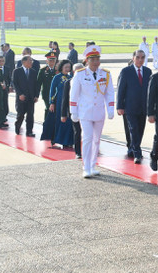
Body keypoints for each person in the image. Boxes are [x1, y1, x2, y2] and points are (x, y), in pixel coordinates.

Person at [70, 45, 115, 178]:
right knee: (87, 138)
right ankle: (86, 167)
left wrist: (110, 108)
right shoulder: (80, 74)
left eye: (97, 59)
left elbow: (109, 93)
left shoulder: (105, 74)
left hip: (99, 112)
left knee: (96, 140)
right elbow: (74, 94)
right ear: (87, 60)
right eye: (92, 59)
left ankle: (93, 165)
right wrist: (73, 111)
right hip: (85, 112)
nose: (95, 62)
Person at [117, 50, 150, 163]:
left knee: (140, 130)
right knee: (133, 129)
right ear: (133, 58)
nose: (140, 60)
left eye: (142, 57)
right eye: (138, 57)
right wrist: (119, 106)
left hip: (143, 107)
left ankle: (132, 148)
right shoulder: (126, 71)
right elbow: (121, 90)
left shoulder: (148, 71)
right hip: (130, 107)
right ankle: (137, 153)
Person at [49, 60, 74, 148]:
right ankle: (59, 139)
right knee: (61, 120)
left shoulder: (71, 77)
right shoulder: (57, 77)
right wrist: (52, 102)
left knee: (69, 121)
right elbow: (52, 90)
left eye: (69, 67)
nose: (67, 69)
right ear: (61, 67)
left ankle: (68, 141)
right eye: (66, 67)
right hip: (59, 102)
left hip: (69, 102)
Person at [13, 55, 39, 137]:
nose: (31, 62)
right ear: (24, 62)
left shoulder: (33, 72)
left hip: (31, 98)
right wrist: (20, 94)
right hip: (21, 98)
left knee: (30, 115)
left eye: (31, 61)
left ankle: (29, 131)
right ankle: (17, 126)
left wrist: (36, 96)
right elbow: (15, 84)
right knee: (20, 115)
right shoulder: (17, 71)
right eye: (29, 60)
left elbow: (36, 85)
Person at [62, 63, 84, 159]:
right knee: (77, 131)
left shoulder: (88, 82)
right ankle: (78, 152)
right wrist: (63, 114)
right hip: (74, 111)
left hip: (86, 111)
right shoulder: (68, 83)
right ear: (74, 71)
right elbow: (65, 99)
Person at [38, 51, 59, 117]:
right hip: (46, 93)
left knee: (56, 108)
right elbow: (38, 83)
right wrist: (36, 95)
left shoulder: (58, 70)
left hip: (56, 93)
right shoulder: (43, 70)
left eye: (54, 60)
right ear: (47, 61)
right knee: (49, 108)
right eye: (50, 60)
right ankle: (47, 121)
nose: (52, 62)